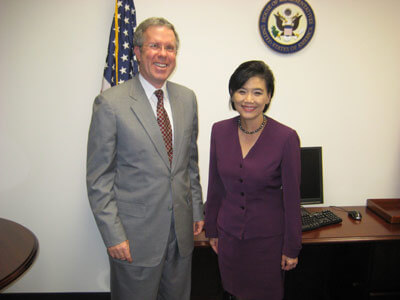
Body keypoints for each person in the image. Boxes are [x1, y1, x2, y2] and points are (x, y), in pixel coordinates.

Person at [86, 17, 204, 300]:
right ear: (137, 52)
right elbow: (99, 178)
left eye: (170, 47)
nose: (163, 54)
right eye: (154, 46)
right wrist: (113, 235)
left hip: (181, 235)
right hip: (134, 238)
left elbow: (189, 162)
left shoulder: (187, 99)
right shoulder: (111, 103)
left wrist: (197, 210)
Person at [204, 60, 302, 300]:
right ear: (232, 94)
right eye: (242, 91)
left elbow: (291, 199)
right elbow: (215, 186)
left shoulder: (286, 137)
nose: (249, 99)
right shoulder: (219, 131)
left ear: (268, 97)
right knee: (232, 293)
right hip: (228, 238)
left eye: (257, 92)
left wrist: (291, 247)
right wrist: (212, 229)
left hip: (267, 243)